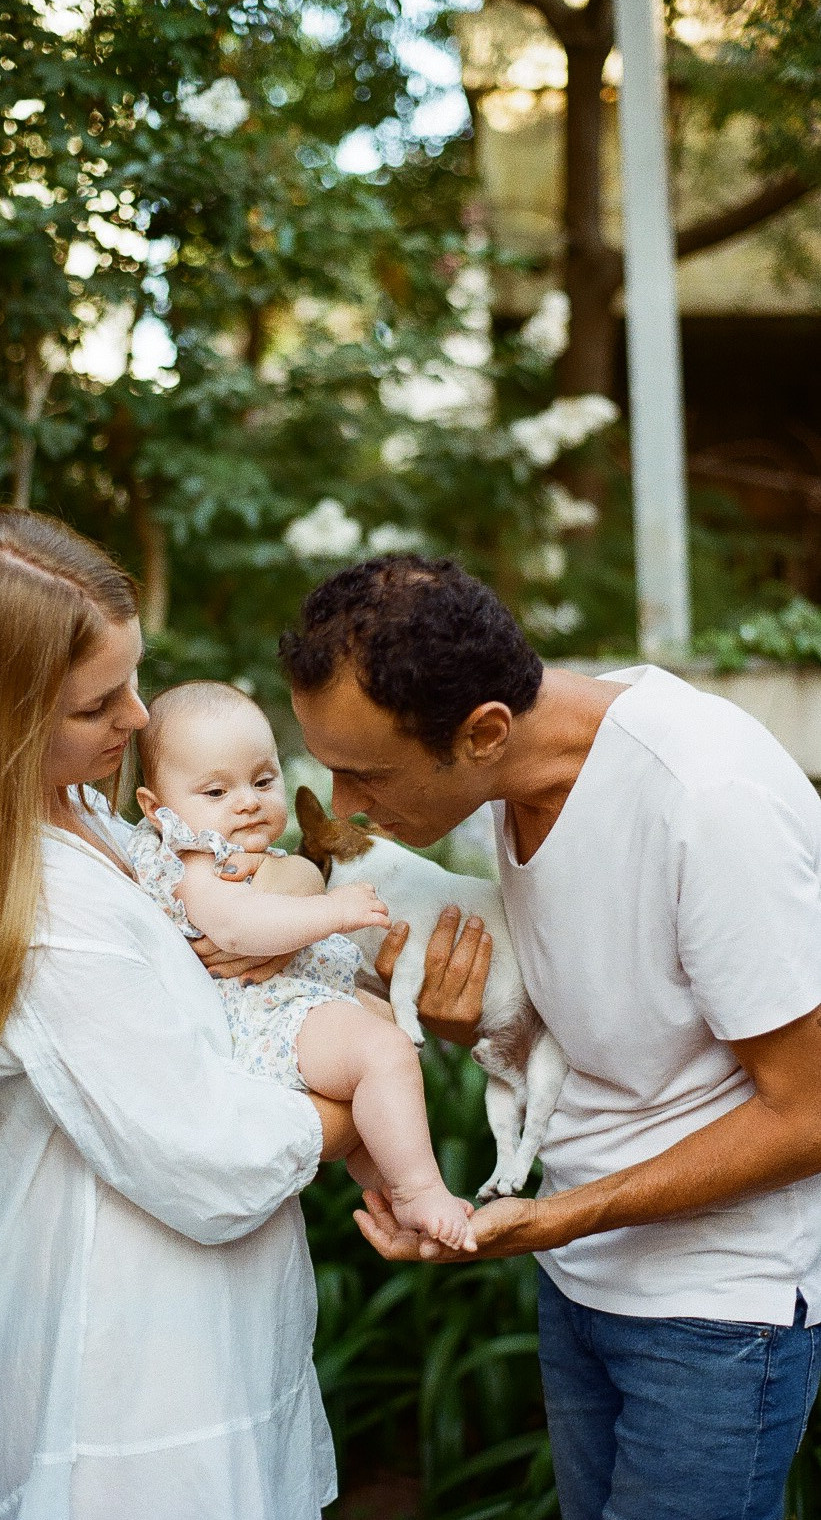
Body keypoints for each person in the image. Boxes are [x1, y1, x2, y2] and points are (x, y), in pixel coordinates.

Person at [0, 508, 487, 1520]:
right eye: (100, 702)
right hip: (120, 1381)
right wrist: (365, 1084)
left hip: (188, 1339)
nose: (140, 719)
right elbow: (208, 1153)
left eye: (133, 678)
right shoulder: (38, 908)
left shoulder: (96, 820)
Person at [280, 553, 821, 1520]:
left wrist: (563, 1214)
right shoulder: (507, 774)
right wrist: (476, 1035)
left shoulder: (706, 800)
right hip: (578, 1273)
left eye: (364, 774)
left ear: (484, 730)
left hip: (715, 1312)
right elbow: (613, 1032)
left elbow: (811, 1112)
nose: (344, 808)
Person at [128, 679, 479, 1250]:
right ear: (156, 808)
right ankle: (418, 1189)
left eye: (263, 781)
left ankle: (389, 1186)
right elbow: (238, 928)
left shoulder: (246, 852)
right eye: (216, 791)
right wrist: (331, 911)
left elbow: (279, 894)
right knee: (383, 1052)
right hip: (268, 1013)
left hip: (299, 997)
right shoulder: (194, 862)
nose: (246, 801)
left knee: (389, 1034)